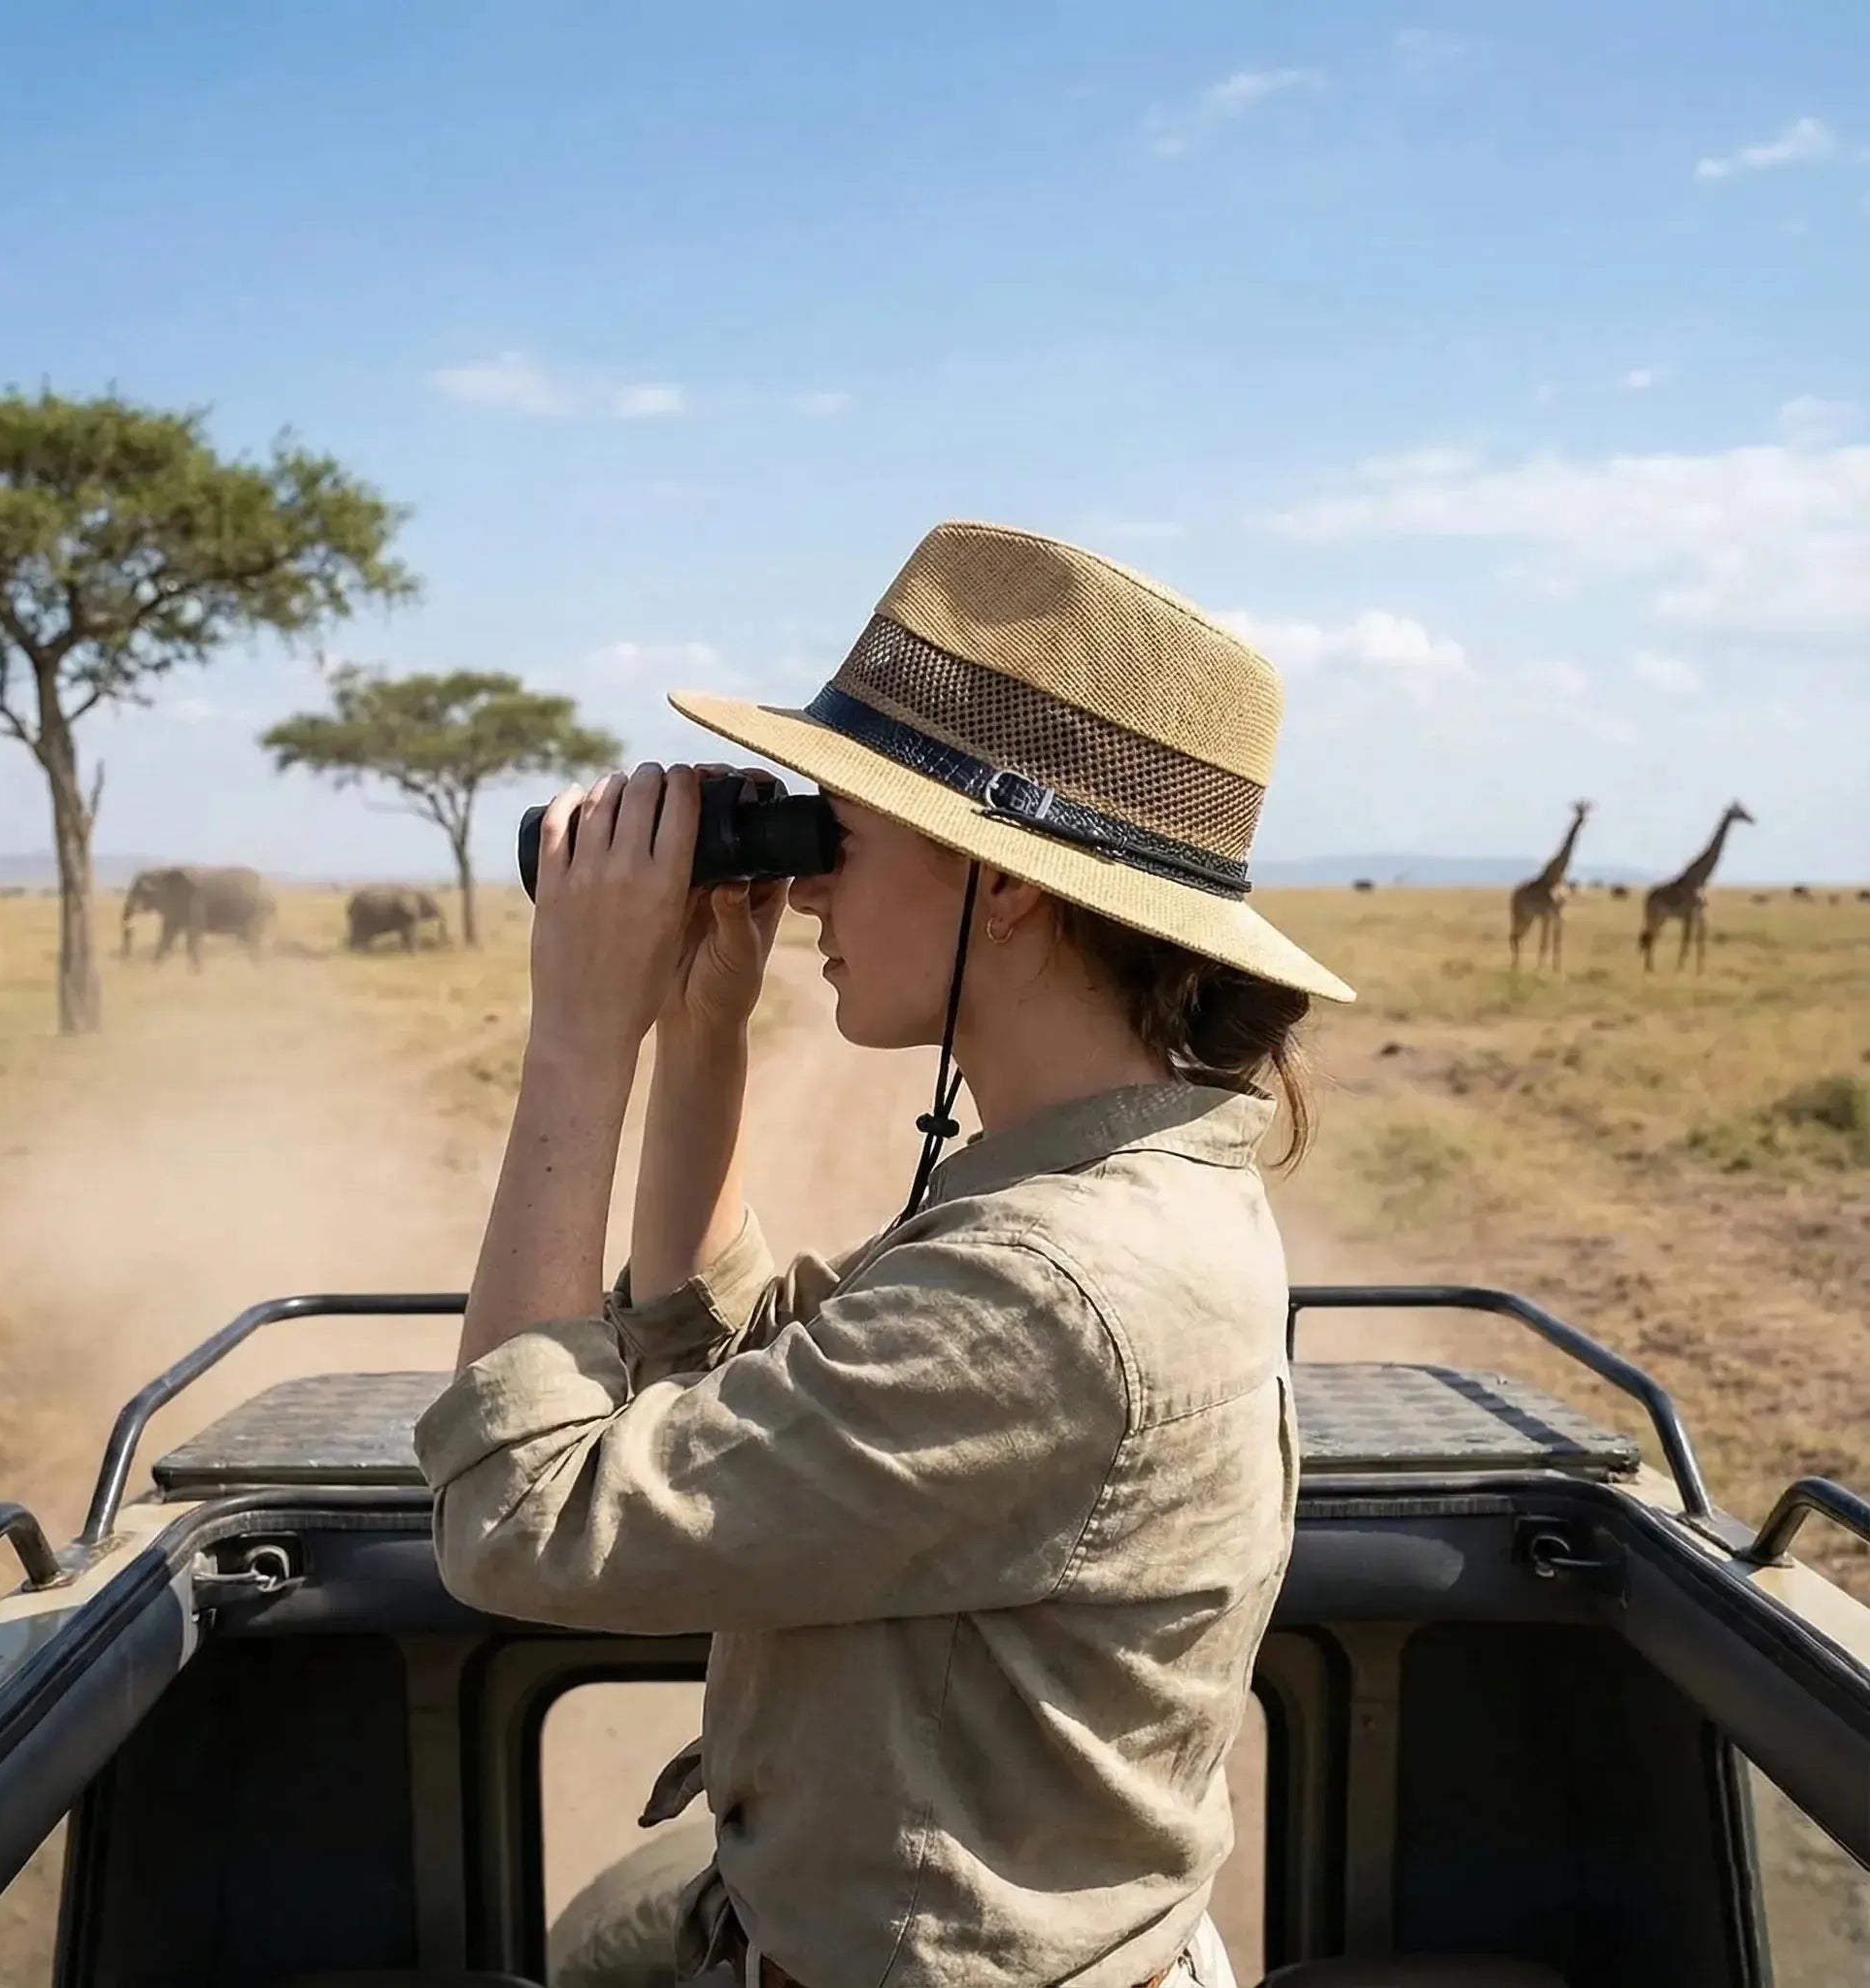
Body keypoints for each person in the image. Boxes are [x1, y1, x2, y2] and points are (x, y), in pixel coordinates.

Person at [414, 520, 1355, 1988]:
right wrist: (702, 1030)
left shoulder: (1054, 1285)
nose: (808, 883)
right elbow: (741, 1353)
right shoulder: (1122, 1183)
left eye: (841, 824)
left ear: (1012, 882)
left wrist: (577, 1037)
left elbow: (518, 1518)